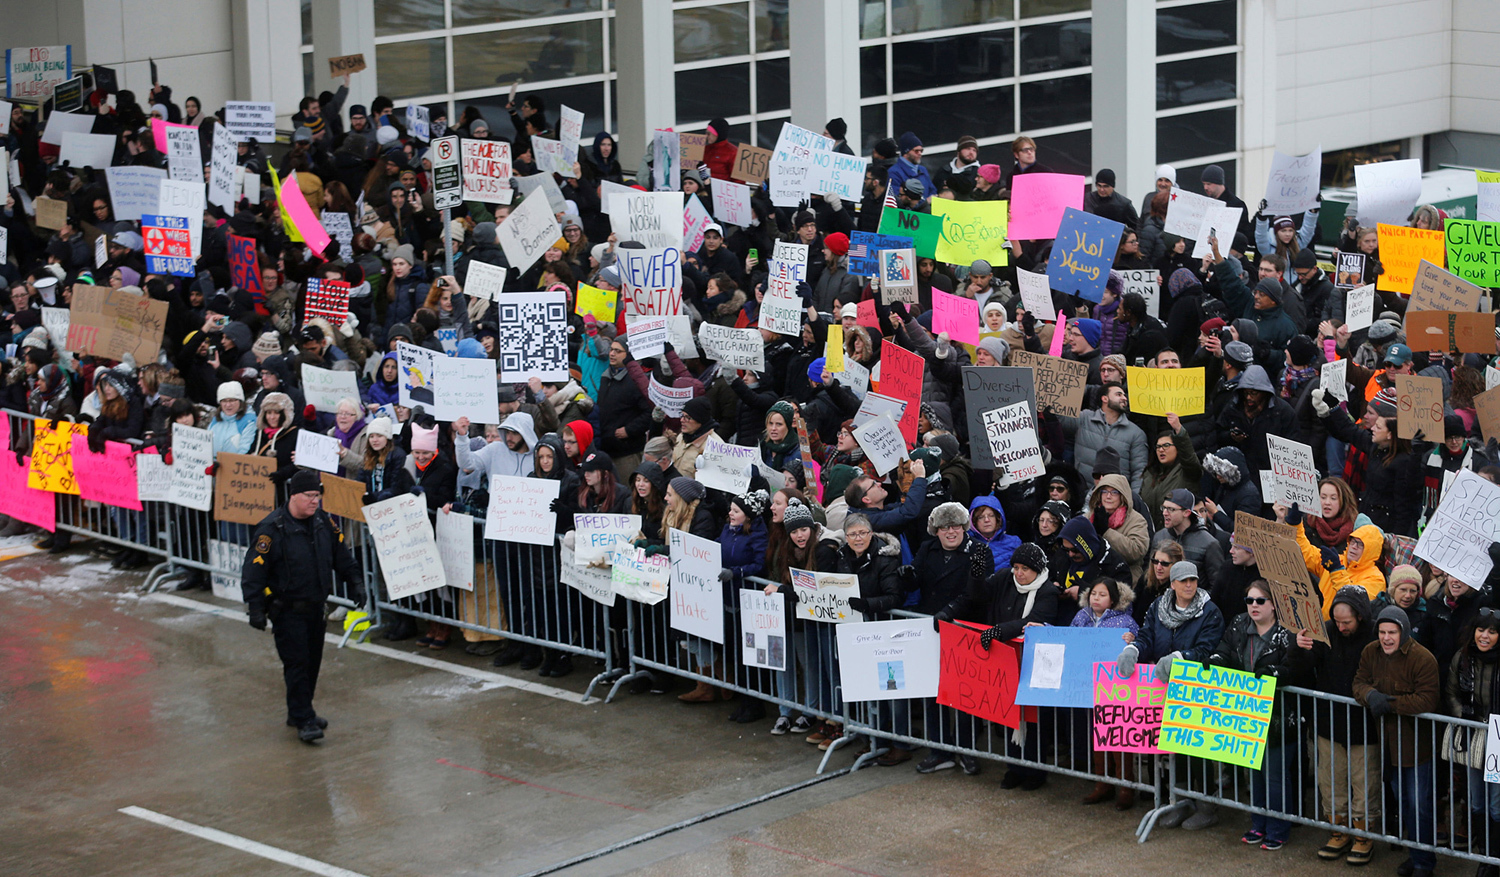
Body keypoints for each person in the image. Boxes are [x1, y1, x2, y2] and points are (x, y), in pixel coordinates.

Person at [239, 469, 365, 744]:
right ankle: (304, 717)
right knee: (296, 663)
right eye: (309, 496)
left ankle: (299, 711)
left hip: (315, 606)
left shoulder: (323, 522)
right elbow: (254, 571)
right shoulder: (272, 529)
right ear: (293, 496)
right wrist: (255, 607)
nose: (314, 501)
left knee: (312, 663)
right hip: (287, 610)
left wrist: (355, 581)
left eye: (317, 496)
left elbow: (340, 555)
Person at [1117, 561, 1225, 828]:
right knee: (1170, 746)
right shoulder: (1158, 606)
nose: (1189, 585)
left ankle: (1206, 805)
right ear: (1173, 584)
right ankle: (1180, 800)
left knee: (1197, 748)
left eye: (1193, 580)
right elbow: (1147, 636)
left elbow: (1207, 648)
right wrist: (1134, 651)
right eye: (1184, 581)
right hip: (1162, 689)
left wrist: (1181, 657)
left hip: (1196, 691)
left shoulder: (1209, 612)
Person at [1208, 580, 1299, 851]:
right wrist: (1215, 661)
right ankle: (1258, 824)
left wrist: (1275, 674)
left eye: (1260, 601)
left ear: (1274, 604)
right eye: (1249, 601)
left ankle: (1279, 828)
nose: (1254, 606)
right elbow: (1225, 650)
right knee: (1255, 775)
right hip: (1247, 714)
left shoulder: (1287, 631)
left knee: (1275, 776)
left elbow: (1295, 667)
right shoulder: (1238, 624)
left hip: (1280, 717)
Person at [1353, 607, 1441, 877]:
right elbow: (1358, 683)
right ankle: (1414, 856)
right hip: (1388, 745)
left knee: (1419, 806)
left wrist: (1388, 704)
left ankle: (1424, 863)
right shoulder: (1370, 652)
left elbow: (1427, 699)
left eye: (1392, 632)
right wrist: (1370, 695)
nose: (1387, 638)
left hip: (1417, 748)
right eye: (1382, 632)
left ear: (1403, 632)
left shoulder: (1423, 658)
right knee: (1403, 803)